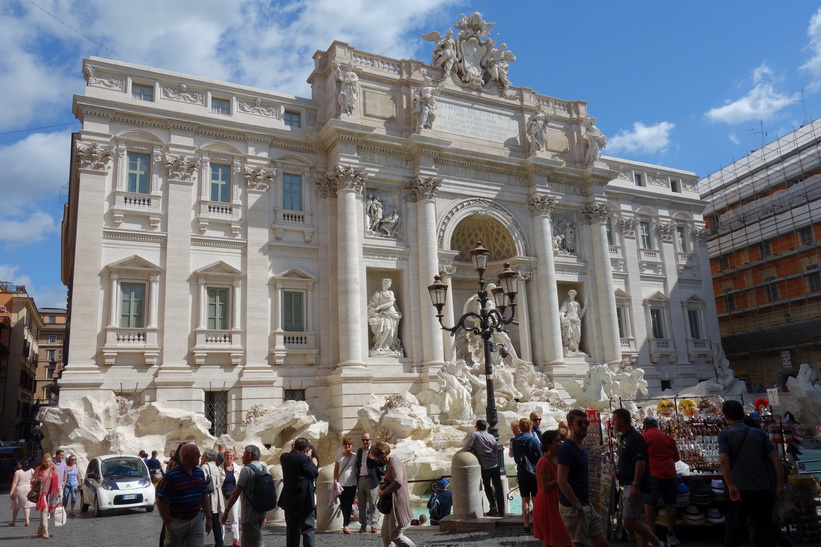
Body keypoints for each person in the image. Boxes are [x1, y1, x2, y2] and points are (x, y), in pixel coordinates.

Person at [719, 399, 784, 547]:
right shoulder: (759, 433)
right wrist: (779, 485)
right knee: (761, 529)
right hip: (762, 488)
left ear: (725, 416)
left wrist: (730, 485)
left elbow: (723, 461)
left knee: (734, 529)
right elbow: (776, 459)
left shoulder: (725, 434)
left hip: (739, 489)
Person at [556, 409, 607, 547]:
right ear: (570, 425)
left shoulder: (578, 446)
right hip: (574, 508)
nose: (584, 426)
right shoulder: (567, 448)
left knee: (602, 543)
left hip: (585, 504)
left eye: (586, 423)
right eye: (580, 423)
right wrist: (577, 505)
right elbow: (561, 480)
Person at [612, 409, 663, 547]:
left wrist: (635, 484)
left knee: (628, 519)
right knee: (635, 519)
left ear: (621, 421)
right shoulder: (626, 437)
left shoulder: (634, 438)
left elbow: (640, 462)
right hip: (629, 482)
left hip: (634, 485)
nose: (612, 423)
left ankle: (658, 543)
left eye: (614, 420)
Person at [156, 443, 212, 546]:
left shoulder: (199, 473)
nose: (200, 456)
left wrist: (208, 518)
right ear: (187, 457)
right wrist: (168, 522)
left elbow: (204, 496)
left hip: (196, 520)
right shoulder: (171, 476)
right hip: (177, 521)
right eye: (197, 454)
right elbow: (160, 500)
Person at [642, 417, 680, 546]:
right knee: (670, 504)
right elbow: (676, 458)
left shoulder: (644, 437)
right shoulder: (668, 438)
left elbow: (641, 458)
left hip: (653, 473)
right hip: (669, 473)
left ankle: (652, 535)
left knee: (649, 503)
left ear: (645, 426)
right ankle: (671, 534)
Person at [222, 445, 269, 547]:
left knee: (254, 542)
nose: (242, 457)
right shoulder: (264, 468)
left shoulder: (246, 470)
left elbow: (237, 492)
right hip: (261, 512)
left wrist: (226, 511)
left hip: (249, 514)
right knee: (252, 540)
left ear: (249, 455)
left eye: (243, 454)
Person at [373, 441, 416, 547]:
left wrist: (385, 491)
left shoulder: (394, 463)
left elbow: (398, 481)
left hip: (397, 502)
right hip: (391, 503)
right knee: (385, 534)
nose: (378, 459)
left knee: (395, 535)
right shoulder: (390, 462)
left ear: (383, 454)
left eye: (378, 457)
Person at [533, 430, 572, 547]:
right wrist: (561, 478)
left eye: (560, 440)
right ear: (549, 444)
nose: (561, 443)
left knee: (550, 540)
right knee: (559, 538)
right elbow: (545, 487)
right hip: (546, 504)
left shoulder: (556, 459)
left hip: (554, 501)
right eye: (557, 441)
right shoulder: (544, 462)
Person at [278, 438, 319, 547]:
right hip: (304, 500)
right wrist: (310, 459)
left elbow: (293, 456)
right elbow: (314, 473)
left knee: (292, 530)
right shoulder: (305, 460)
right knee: (308, 529)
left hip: (289, 500)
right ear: (306, 449)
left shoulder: (284, 457)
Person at [463, 419, 504, 517]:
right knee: (498, 488)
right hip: (495, 464)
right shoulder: (491, 436)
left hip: (485, 466)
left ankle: (493, 508)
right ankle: (501, 510)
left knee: (487, 487)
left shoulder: (475, 435)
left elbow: (467, 446)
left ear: (477, 427)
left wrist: (475, 450)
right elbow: (495, 450)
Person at [512, 417, 542, 534]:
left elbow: (515, 458)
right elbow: (540, 456)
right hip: (533, 472)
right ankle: (537, 524)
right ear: (530, 426)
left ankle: (526, 526)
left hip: (522, 472)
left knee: (524, 499)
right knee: (535, 498)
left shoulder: (514, 441)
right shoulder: (532, 440)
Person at [356, 432, 383, 533]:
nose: (365, 442)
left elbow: (381, 462)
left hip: (372, 479)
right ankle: (363, 525)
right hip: (361, 479)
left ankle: (374, 524)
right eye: (363, 440)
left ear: (371, 440)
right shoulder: (359, 451)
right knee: (361, 504)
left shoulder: (374, 450)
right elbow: (358, 465)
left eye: (367, 440)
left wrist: (374, 459)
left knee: (373, 503)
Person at [367, 278, 402, 354]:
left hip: (391, 312)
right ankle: (379, 346)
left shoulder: (390, 293)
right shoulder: (378, 294)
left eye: (390, 284)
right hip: (383, 313)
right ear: (383, 283)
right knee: (386, 328)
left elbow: (390, 304)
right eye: (388, 283)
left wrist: (379, 307)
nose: (389, 285)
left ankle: (387, 346)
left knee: (390, 329)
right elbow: (373, 304)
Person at [201, 449, 225, 547]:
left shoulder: (205, 467)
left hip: (207, 497)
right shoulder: (217, 467)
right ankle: (219, 543)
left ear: (207, 457)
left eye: (202, 456)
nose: (201, 458)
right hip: (216, 497)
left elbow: (201, 483)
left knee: (199, 521)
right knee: (216, 522)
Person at [33, 453, 61, 539]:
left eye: (49, 461)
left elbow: (57, 480)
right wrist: (36, 479)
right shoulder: (39, 469)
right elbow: (32, 480)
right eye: (45, 462)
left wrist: (58, 491)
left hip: (51, 493)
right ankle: (45, 531)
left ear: (51, 461)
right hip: (41, 493)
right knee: (44, 510)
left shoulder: (54, 469)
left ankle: (40, 530)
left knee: (44, 512)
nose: (47, 463)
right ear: (42, 461)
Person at [333, 436, 358, 534]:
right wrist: (335, 480)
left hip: (352, 483)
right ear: (343, 445)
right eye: (346, 444)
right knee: (343, 505)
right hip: (341, 484)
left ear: (352, 446)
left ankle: (345, 525)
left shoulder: (355, 456)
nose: (348, 446)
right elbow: (336, 469)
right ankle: (345, 523)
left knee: (348, 504)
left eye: (349, 444)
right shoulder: (339, 456)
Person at [219, 449, 241, 547]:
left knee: (234, 518)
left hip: (234, 496)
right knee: (221, 518)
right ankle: (220, 540)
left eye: (231, 455)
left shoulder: (237, 468)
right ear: (224, 457)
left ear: (233, 457)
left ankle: (235, 540)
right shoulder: (219, 469)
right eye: (227, 455)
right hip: (222, 496)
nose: (229, 457)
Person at [559, 290, 588, 356]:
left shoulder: (577, 303)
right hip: (569, 320)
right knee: (570, 334)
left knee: (577, 335)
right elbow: (562, 311)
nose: (573, 295)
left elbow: (581, 314)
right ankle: (570, 349)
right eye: (571, 293)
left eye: (574, 294)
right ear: (569, 294)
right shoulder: (566, 302)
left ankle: (576, 349)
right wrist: (563, 317)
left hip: (577, 320)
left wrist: (585, 306)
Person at [8, 459, 35, 526]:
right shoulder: (31, 470)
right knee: (26, 505)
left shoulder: (18, 472)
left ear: (21, 464)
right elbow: (34, 479)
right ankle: (27, 521)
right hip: (28, 488)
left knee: (16, 506)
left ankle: (13, 521)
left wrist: (11, 491)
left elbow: (15, 482)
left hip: (19, 489)